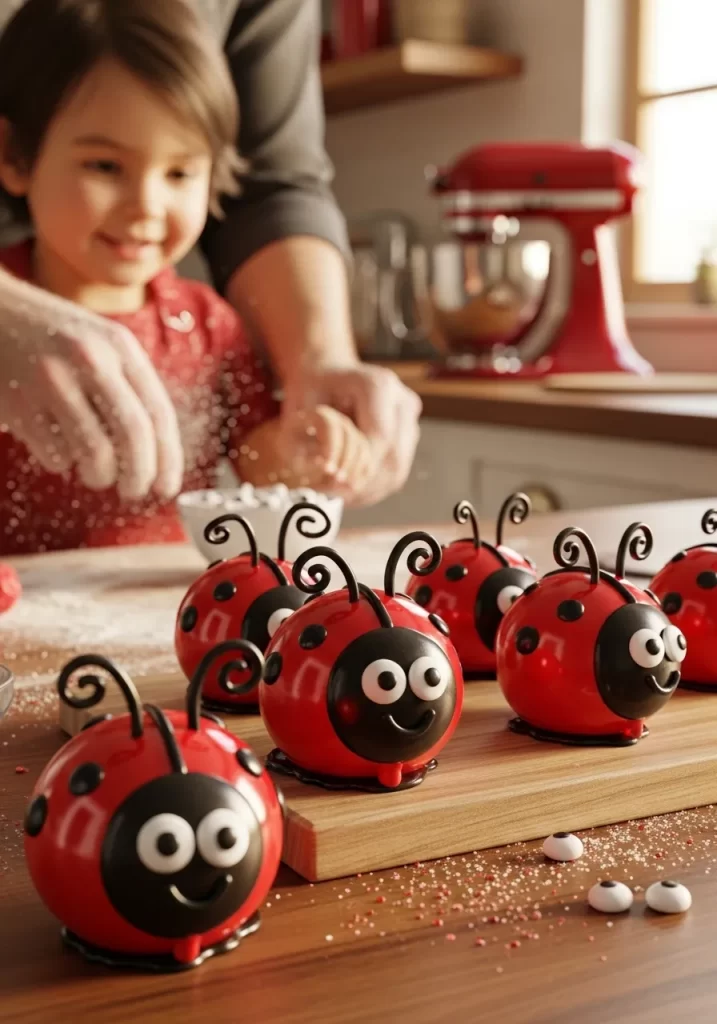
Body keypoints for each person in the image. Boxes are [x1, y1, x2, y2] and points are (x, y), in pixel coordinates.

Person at [0, 0, 421, 529]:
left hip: (174, 584)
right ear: (14, 157)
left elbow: (254, 462)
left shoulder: (210, 327)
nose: (147, 206)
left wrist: (303, 451)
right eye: (105, 166)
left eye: (180, 173)